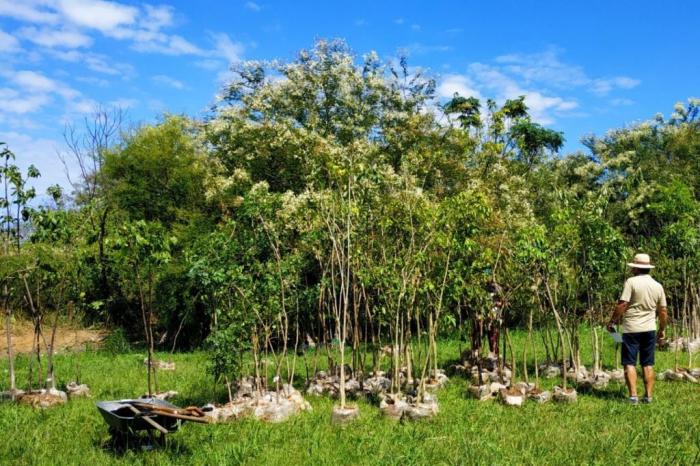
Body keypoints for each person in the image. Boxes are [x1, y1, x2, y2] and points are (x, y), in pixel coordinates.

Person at [607, 253, 668, 404]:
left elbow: (622, 304)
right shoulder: (657, 285)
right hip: (649, 329)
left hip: (631, 329)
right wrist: (661, 329)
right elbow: (663, 311)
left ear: (636, 268)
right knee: (648, 363)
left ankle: (633, 396)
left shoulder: (631, 282)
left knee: (629, 362)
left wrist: (612, 321)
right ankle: (648, 396)